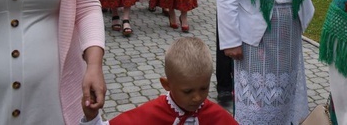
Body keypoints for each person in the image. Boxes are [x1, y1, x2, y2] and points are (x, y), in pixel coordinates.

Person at [80, 37, 236, 125]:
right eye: (188, 91)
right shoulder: (151, 114)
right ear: (166, 84)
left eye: (204, 88)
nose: (197, 97)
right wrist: (91, 118)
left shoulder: (216, 116)